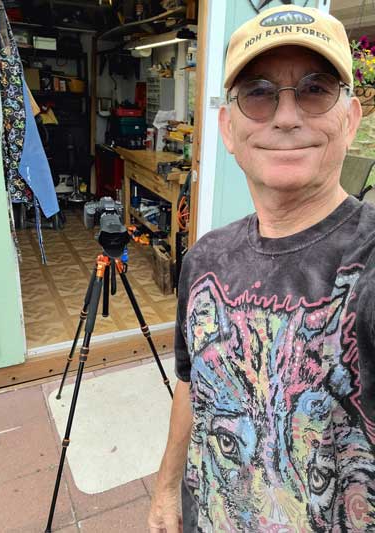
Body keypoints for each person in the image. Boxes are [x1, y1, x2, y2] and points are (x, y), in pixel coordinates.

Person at [149, 5, 375, 532]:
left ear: (350, 117)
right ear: (227, 129)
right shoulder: (205, 259)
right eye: (258, 93)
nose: (287, 116)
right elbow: (191, 382)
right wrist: (166, 488)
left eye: (316, 89)